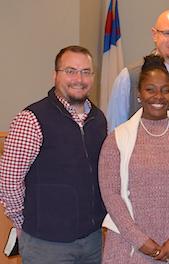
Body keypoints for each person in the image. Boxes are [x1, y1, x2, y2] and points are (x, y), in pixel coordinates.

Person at [98, 54, 169, 263]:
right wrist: (140, 241)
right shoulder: (116, 140)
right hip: (128, 248)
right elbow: (111, 196)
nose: (158, 97)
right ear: (139, 94)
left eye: (166, 90)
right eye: (150, 89)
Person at [0, 45, 106, 263]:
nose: (79, 78)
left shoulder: (99, 119)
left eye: (86, 71)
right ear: (55, 75)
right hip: (46, 245)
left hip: (93, 240)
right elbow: (9, 180)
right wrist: (24, 222)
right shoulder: (31, 119)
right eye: (71, 71)